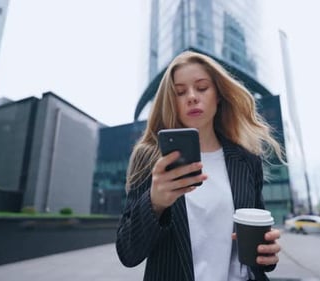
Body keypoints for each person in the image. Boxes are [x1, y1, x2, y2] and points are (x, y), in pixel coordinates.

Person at [116, 51, 283, 281]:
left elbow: (258, 244)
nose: (192, 97)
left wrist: (267, 254)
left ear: (218, 95)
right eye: (180, 92)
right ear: (171, 102)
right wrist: (155, 203)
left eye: (202, 87)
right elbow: (128, 252)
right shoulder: (151, 159)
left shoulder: (246, 160)